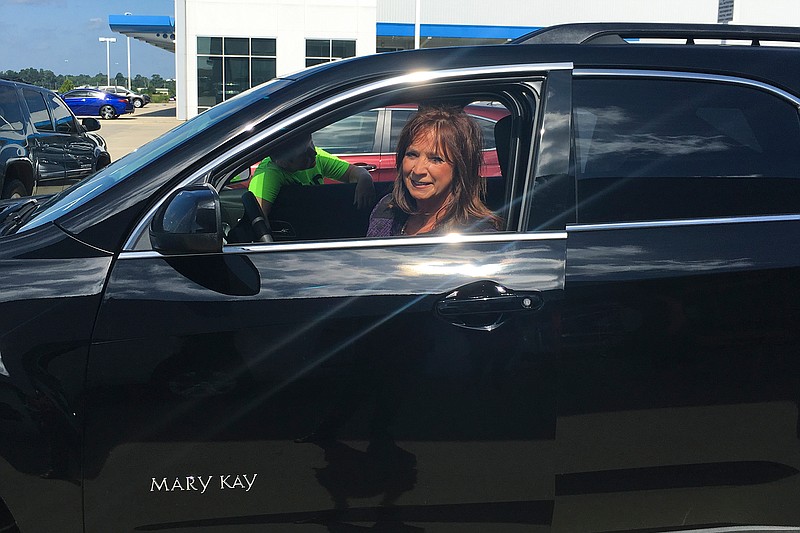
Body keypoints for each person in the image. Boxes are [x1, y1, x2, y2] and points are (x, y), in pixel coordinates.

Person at [366, 105, 501, 237]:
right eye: (412, 155)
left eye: (435, 159)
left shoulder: (476, 237)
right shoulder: (387, 211)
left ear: (460, 169)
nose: (418, 170)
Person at [248, 133, 375, 215]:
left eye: (312, 145)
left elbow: (353, 172)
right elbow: (257, 221)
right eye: (304, 153)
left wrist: (365, 179)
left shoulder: (317, 159)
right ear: (284, 163)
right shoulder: (268, 175)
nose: (313, 153)